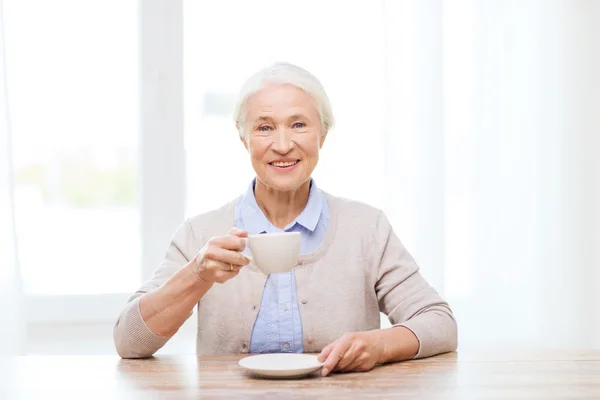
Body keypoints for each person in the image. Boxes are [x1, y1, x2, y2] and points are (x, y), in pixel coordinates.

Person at [113, 62, 457, 376]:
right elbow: (129, 341)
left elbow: (440, 323)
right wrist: (196, 276)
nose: (282, 144)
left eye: (299, 125)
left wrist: (379, 345)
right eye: (264, 127)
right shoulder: (201, 233)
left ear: (322, 133)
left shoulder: (367, 228)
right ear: (243, 137)